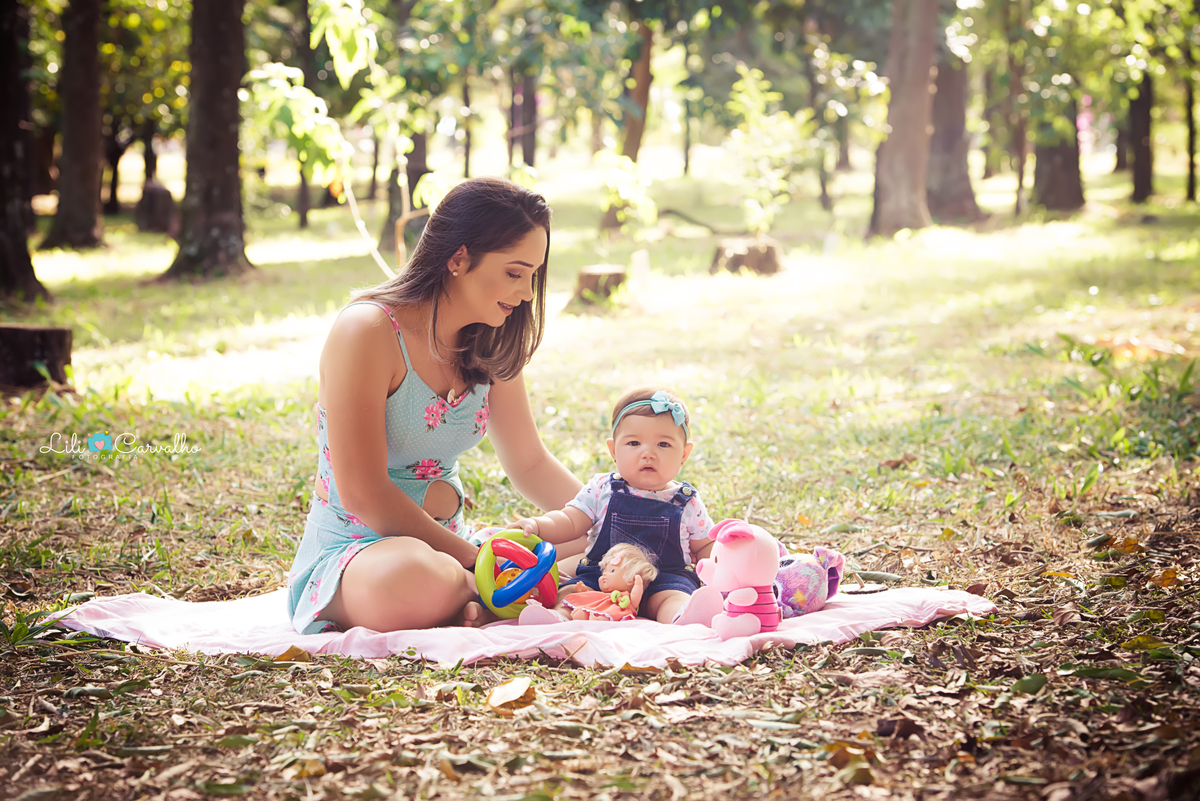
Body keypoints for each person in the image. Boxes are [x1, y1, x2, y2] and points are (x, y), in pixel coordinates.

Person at [286, 177, 584, 635]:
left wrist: (615, 517)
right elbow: (362, 491)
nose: (526, 293)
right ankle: (485, 590)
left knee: (590, 540)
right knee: (411, 579)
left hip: (456, 549)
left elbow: (530, 462)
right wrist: (479, 559)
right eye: (514, 272)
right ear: (459, 258)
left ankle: (479, 594)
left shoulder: (491, 340)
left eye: (532, 276)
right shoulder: (366, 332)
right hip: (363, 553)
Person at [514, 388, 725, 625]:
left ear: (684, 453)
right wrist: (539, 525)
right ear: (613, 450)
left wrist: (722, 572)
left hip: (664, 579)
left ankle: (682, 617)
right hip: (603, 578)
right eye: (634, 443)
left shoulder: (686, 500)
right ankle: (557, 617)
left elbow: (705, 545)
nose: (648, 453)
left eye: (663, 444)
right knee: (573, 592)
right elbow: (571, 520)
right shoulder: (603, 488)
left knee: (674, 597)